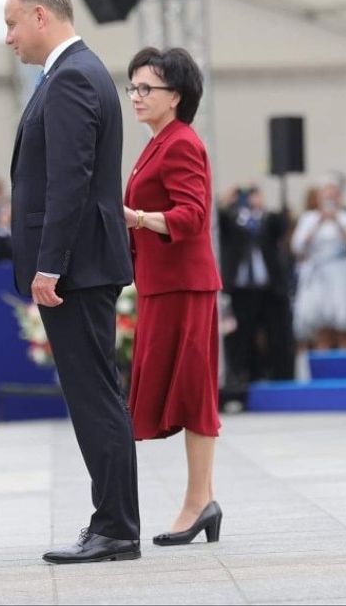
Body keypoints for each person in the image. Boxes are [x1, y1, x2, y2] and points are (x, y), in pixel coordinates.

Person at [3, 0, 139, 564]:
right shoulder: (74, 73)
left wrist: (50, 265)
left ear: (40, 16)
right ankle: (113, 522)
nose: (8, 37)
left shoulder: (71, 78)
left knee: (94, 397)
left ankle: (116, 527)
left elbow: (69, 181)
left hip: (77, 268)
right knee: (96, 394)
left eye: (12, 23)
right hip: (83, 264)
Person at [121, 46, 225, 546]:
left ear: (176, 96)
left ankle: (198, 501)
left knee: (194, 392)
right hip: (162, 285)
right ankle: (202, 499)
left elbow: (193, 216)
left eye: (147, 88)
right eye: (133, 87)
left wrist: (136, 218)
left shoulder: (181, 143)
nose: (136, 96)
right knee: (185, 391)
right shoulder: (157, 143)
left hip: (185, 285)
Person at [218, 184, 294, 385]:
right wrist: (226, 202)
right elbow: (219, 223)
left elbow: (282, 226)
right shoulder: (234, 219)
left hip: (269, 288)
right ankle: (243, 376)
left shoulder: (267, 219)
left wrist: (265, 205)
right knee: (241, 336)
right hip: (241, 289)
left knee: (275, 334)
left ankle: (278, 375)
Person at [290, 172, 346, 350]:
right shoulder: (309, 218)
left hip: (342, 274)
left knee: (344, 327)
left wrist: (337, 221)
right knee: (321, 329)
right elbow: (298, 247)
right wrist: (318, 222)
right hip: (318, 275)